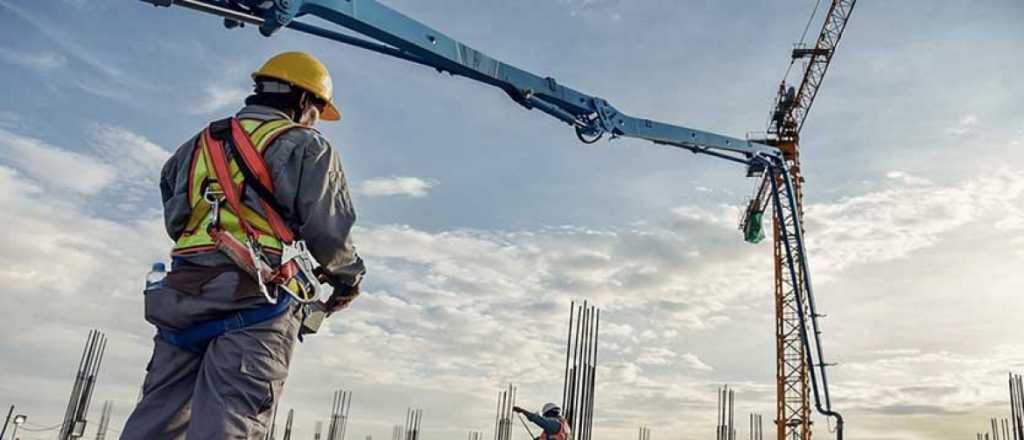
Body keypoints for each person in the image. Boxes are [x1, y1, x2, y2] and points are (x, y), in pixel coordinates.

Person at [122, 51, 366, 439]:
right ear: (303, 101)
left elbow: (176, 215)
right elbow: (328, 229)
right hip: (256, 297)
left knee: (156, 418)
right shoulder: (305, 145)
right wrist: (349, 279)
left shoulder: (196, 145)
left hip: (183, 295)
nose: (316, 120)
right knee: (232, 417)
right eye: (317, 110)